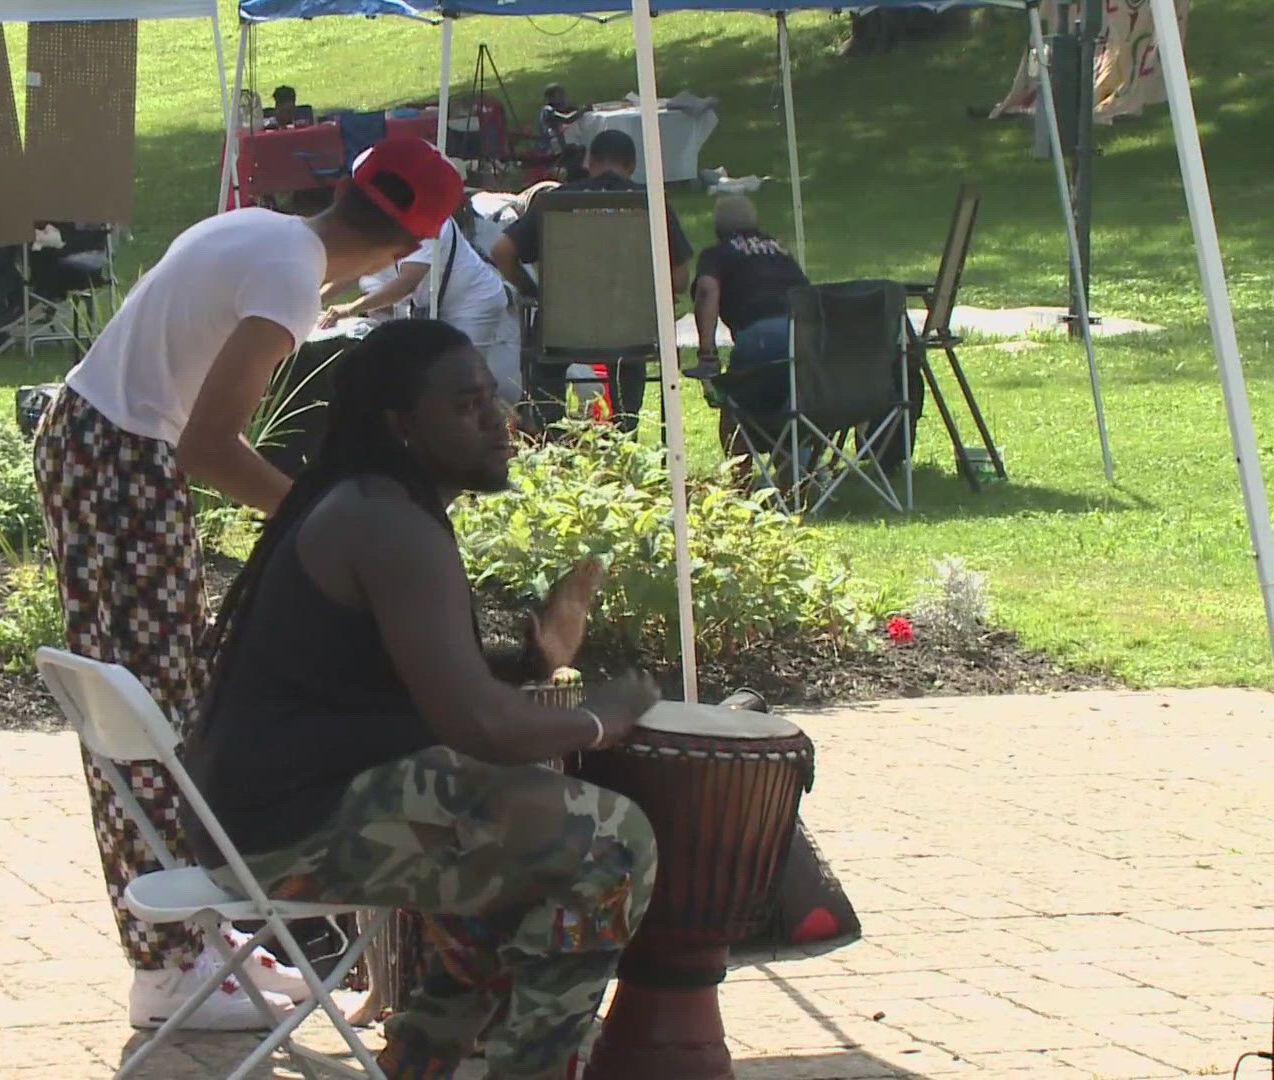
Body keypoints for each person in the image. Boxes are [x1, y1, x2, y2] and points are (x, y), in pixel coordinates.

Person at [33, 137, 464, 1032]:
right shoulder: (289, 281)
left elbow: (250, 320)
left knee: (168, 704)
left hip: (94, 444)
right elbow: (208, 445)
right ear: (407, 245)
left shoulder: (261, 231)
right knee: (151, 719)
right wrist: (321, 522)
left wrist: (356, 299)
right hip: (123, 461)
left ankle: (200, 938)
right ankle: (169, 968)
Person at [184, 319, 661, 1080]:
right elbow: (476, 724)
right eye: (467, 405)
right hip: (285, 835)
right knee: (608, 840)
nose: (499, 421)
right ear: (400, 425)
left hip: (265, 811)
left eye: (492, 398)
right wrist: (607, 716)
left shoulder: (368, 500)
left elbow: (431, 677)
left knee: (523, 835)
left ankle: (424, 1057)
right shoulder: (385, 522)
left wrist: (531, 657)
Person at [491, 129, 692, 431]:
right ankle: (626, 428)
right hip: (629, 328)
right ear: (633, 165)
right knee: (630, 355)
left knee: (545, 352)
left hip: (562, 327)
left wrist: (531, 289)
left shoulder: (556, 201)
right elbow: (678, 280)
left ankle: (546, 429)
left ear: (589, 161)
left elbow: (501, 250)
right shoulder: (650, 204)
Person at [322, 159, 523, 403]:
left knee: (465, 378)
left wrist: (350, 308)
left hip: (472, 302)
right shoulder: (375, 222)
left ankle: (496, 425)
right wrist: (316, 297)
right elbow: (353, 269)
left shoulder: (427, 218)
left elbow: (407, 282)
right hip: (428, 303)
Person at [686, 194, 810, 451]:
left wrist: (707, 354)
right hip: (805, 335)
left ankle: (739, 479)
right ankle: (797, 473)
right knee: (796, 401)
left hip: (760, 337)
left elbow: (707, 290)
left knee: (734, 403)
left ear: (718, 226)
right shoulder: (780, 250)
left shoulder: (717, 254)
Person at [536, 83, 588, 160]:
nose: (564, 98)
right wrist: (583, 110)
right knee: (583, 150)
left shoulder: (554, 109)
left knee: (581, 148)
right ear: (551, 98)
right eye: (560, 95)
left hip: (557, 145)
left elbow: (569, 111)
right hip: (551, 148)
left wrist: (576, 109)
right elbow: (567, 119)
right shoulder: (548, 110)